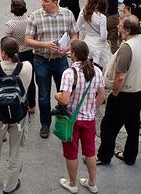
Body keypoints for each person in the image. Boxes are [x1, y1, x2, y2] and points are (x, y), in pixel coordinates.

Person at [97, 15, 141, 166]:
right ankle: (129, 156)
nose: (118, 28)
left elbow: (120, 76)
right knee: (132, 126)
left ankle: (104, 156)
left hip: (124, 94)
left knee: (108, 127)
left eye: (120, 26)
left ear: (127, 30)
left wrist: (114, 93)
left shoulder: (127, 48)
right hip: (140, 90)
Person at [25, 0, 78, 139]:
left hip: (61, 60)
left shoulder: (67, 14)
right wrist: (45, 44)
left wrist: (67, 48)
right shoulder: (35, 16)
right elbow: (27, 40)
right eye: (42, 0)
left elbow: (75, 35)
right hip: (41, 61)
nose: (42, 3)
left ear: (55, 2)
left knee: (65, 93)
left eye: (46, 1)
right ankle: (45, 124)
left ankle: (65, 120)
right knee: (43, 95)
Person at [0, 37, 32, 194]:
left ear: (3, 52)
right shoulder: (26, 67)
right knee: (15, 150)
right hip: (19, 116)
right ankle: (10, 185)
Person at [55, 40, 105, 194]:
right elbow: (102, 96)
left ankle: (72, 183)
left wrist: (57, 95)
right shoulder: (97, 71)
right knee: (90, 152)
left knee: (71, 152)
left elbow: (64, 99)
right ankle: (92, 183)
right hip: (89, 119)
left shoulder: (69, 73)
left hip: (72, 119)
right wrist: (91, 108)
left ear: (74, 54)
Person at [4, 0, 36, 114]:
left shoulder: (10, 24)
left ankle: (21, 102)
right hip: (31, 52)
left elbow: (7, 42)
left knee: (19, 79)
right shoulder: (30, 20)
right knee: (31, 79)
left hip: (18, 54)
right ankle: (32, 105)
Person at [77, 0, 112, 69]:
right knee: (99, 68)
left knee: (86, 67)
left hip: (87, 42)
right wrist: (106, 33)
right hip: (99, 46)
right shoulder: (102, 17)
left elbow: (78, 26)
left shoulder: (83, 11)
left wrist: (86, 30)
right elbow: (103, 37)